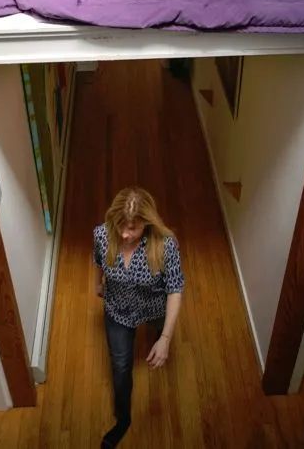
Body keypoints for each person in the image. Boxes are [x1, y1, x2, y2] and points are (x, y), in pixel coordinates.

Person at [93, 187, 184, 448]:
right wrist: (98, 284)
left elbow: (175, 288)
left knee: (159, 332)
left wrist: (166, 338)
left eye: (133, 228)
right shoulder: (102, 234)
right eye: (120, 226)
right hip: (118, 309)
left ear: (146, 222)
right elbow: (98, 261)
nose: (124, 234)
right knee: (120, 367)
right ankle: (123, 419)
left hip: (154, 306)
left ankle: (158, 333)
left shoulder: (167, 246)